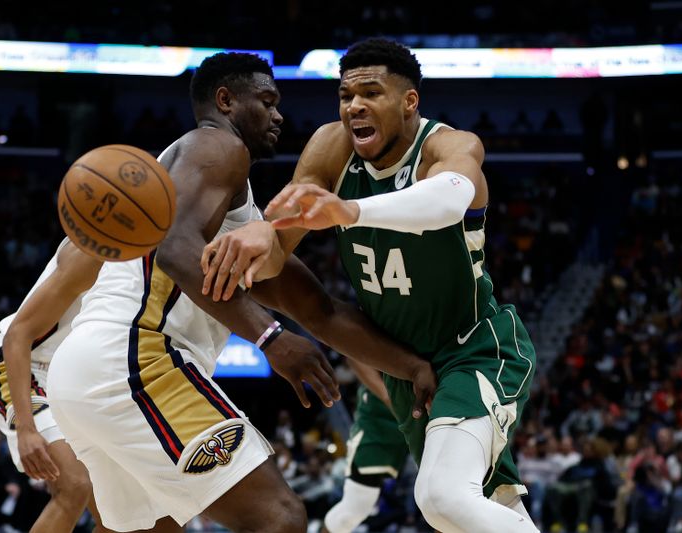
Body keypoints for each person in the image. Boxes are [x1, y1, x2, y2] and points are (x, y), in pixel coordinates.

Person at [47, 52, 435, 533]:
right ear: (225, 101)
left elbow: (318, 311)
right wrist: (271, 338)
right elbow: (174, 249)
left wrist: (413, 366)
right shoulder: (216, 146)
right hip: (136, 358)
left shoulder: (234, 213)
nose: (279, 116)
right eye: (268, 102)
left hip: (87, 370)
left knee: (152, 527)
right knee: (279, 518)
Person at [202, 38, 538, 532]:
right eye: (345, 95)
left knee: (440, 496)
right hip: (404, 366)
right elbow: (278, 250)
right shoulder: (333, 147)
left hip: (474, 350)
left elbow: (449, 198)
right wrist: (256, 238)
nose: (354, 105)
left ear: (409, 102)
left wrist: (350, 210)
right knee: (481, 510)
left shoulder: (449, 147)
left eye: (371, 93)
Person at [0, 238, 111, 533]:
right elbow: (17, 336)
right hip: (23, 367)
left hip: (74, 381)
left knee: (121, 517)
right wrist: (26, 429)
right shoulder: (91, 254)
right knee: (74, 486)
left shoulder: (147, 266)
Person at [323, 359, 410, 533]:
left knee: (442, 498)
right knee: (354, 508)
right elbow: (353, 355)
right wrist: (389, 399)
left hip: (437, 397)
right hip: (381, 410)